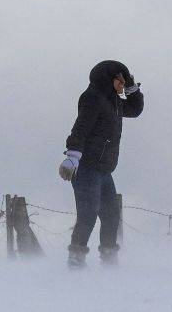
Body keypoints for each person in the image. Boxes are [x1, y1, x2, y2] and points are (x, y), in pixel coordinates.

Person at [58, 60, 144, 268]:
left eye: (124, 80)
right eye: (120, 79)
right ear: (108, 78)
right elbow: (81, 127)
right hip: (86, 168)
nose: (122, 84)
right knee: (88, 216)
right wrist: (72, 156)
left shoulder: (116, 101)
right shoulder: (93, 97)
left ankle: (109, 260)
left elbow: (135, 109)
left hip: (104, 170)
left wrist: (131, 86)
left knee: (111, 216)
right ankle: (76, 261)